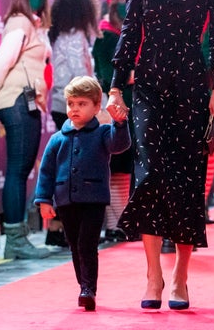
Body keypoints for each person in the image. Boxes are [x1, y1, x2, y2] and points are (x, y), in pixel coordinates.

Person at [106, 0, 214, 310]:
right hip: (150, 88)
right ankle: (153, 275)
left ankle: (180, 276)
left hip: (193, 88)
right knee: (149, 175)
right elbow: (129, 33)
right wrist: (116, 86)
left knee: (186, 182)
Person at [33, 76, 131, 311]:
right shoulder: (57, 139)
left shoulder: (103, 133)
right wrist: (44, 200)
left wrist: (120, 124)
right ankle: (83, 284)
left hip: (94, 200)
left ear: (97, 107)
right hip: (65, 201)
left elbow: (120, 145)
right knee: (74, 245)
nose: (75, 109)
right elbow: (46, 171)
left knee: (87, 243)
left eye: (82, 104)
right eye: (71, 103)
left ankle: (88, 288)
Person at [0, 0, 52, 260]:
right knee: (18, 170)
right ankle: (16, 239)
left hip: (24, 100)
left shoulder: (33, 23)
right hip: (16, 100)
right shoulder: (20, 22)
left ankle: (17, 238)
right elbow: (0, 63)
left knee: (20, 170)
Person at [46, 0, 100, 247]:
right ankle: (66, 227)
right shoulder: (75, 37)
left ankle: (58, 227)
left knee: (65, 168)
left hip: (62, 105)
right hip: (75, 107)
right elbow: (83, 78)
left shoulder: (57, 36)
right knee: (74, 170)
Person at [92, 0, 134, 242]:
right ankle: (114, 223)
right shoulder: (105, 35)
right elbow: (107, 75)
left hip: (131, 107)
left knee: (125, 167)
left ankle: (121, 221)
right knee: (116, 166)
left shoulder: (129, 32)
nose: (122, 3)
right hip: (114, 106)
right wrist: (133, 76)